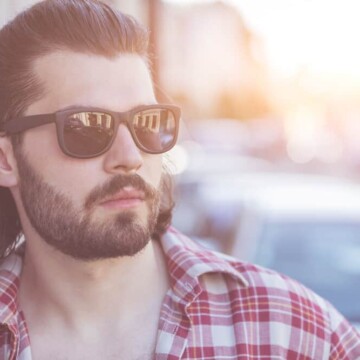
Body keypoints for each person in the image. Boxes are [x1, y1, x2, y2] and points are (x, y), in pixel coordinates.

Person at [0, 0, 358, 359]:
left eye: (148, 123)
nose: (130, 157)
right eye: (87, 128)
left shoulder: (299, 336)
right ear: (6, 159)